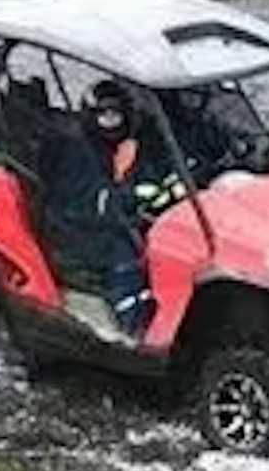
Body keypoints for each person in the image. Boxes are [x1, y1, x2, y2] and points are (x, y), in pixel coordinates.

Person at [38, 79, 174, 337]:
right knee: (130, 255)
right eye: (106, 116)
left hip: (124, 216)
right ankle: (133, 326)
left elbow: (150, 171)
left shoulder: (130, 144)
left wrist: (163, 186)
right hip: (78, 225)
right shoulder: (77, 150)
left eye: (118, 115)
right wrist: (131, 198)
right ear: (91, 117)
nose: (114, 122)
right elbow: (82, 199)